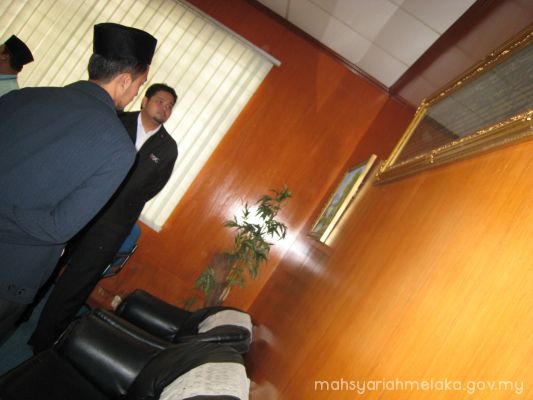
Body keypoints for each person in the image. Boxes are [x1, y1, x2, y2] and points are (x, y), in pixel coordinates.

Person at [0, 22, 158, 344]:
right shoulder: (119, 148)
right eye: (139, 84)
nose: (135, 93)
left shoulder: (22, 97)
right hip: (11, 271)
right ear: (124, 80)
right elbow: (59, 228)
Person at [29, 83, 178, 353]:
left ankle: (45, 340)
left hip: (114, 223)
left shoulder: (168, 148)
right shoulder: (116, 119)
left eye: (170, 106)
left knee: (79, 282)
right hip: (79, 206)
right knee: (46, 263)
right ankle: (21, 312)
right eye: (160, 101)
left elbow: (153, 187)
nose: (165, 108)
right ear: (145, 101)